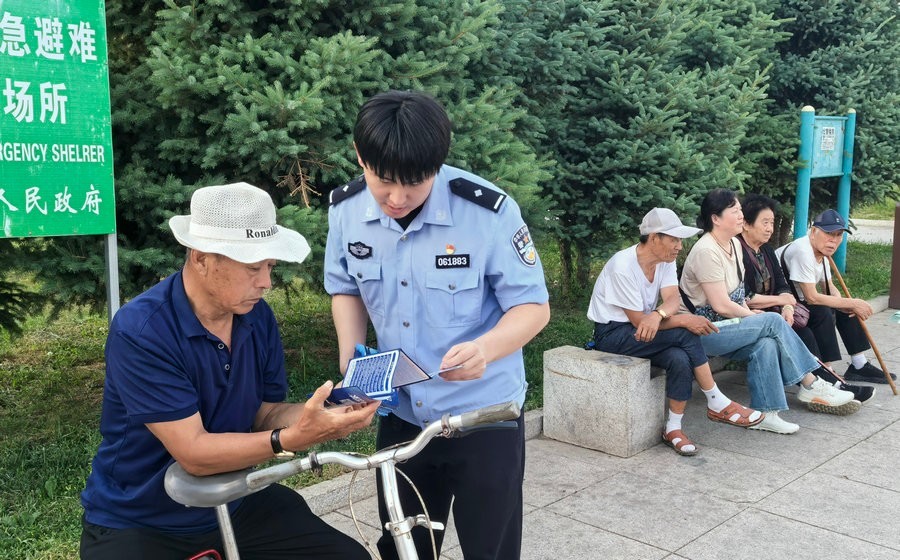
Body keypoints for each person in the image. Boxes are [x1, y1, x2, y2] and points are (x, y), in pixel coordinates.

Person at [80, 183, 380, 560]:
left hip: (236, 499)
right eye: (253, 267)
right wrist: (289, 438)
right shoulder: (142, 330)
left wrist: (323, 414)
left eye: (270, 266)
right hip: (142, 520)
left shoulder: (256, 316)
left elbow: (265, 413)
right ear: (201, 258)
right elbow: (194, 453)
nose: (266, 283)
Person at [324, 90, 550, 559]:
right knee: (405, 548)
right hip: (403, 417)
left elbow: (533, 307)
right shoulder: (346, 210)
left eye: (415, 183)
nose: (397, 198)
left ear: (438, 164)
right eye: (384, 181)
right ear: (360, 156)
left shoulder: (487, 212)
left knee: (490, 550)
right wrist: (351, 359)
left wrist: (486, 349)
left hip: (483, 416)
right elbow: (345, 287)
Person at [679, 189, 857, 434]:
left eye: (740, 210)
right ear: (716, 218)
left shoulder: (734, 244)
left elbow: (738, 295)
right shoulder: (706, 251)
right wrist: (755, 317)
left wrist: (755, 315)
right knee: (772, 322)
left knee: (766, 343)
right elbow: (720, 305)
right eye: (735, 211)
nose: (741, 215)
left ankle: (767, 413)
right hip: (701, 331)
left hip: (727, 326)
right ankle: (811, 382)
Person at [588, 208, 763, 456]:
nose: (679, 246)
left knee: (679, 357)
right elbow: (638, 322)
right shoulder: (622, 266)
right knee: (686, 332)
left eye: (680, 240)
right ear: (654, 238)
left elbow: (672, 299)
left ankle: (673, 428)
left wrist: (658, 314)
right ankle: (716, 400)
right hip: (613, 335)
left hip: (644, 329)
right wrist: (682, 320)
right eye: (674, 239)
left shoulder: (665, 261)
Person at [739, 195, 874, 403]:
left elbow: (783, 285)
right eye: (764, 223)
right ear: (746, 224)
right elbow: (746, 296)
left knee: (839, 310)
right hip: (760, 310)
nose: (769, 229)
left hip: (782, 306)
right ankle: (825, 381)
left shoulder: (766, 249)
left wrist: (787, 304)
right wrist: (785, 302)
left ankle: (847, 368)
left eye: (772, 223)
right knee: (815, 321)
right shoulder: (740, 251)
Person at [775, 208, 896, 385]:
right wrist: (850, 302)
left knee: (846, 307)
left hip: (800, 303)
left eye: (839, 235)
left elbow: (829, 288)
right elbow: (812, 297)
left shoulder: (822, 253)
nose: (834, 240)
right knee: (825, 309)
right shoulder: (803, 251)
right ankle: (827, 370)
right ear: (814, 231)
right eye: (829, 234)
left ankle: (859, 364)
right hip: (783, 303)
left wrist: (847, 304)